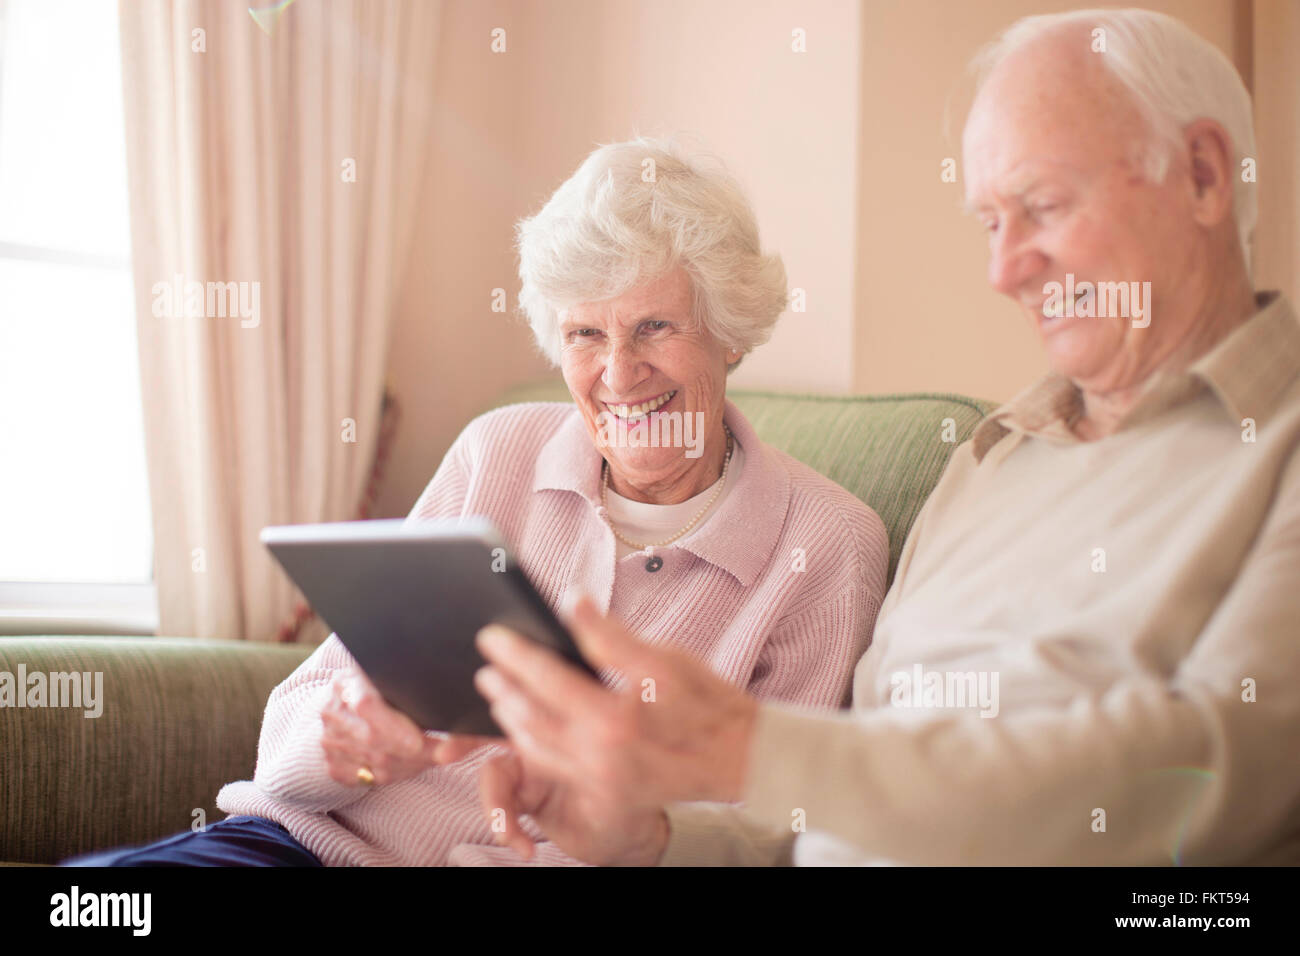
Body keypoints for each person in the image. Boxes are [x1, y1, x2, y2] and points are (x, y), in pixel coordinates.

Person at [453, 9, 1300, 866]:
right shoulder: (991, 461)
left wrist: (754, 749)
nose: (1003, 273)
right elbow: (825, 803)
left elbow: (1220, 767)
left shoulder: (1280, 451)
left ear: (1200, 176)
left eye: (1041, 206)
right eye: (990, 223)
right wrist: (651, 839)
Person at [64, 137, 888, 866]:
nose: (619, 374)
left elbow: (772, 829)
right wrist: (352, 744)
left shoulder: (823, 543)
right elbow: (294, 729)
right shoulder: (499, 451)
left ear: (732, 330)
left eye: (655, 328)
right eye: (585, 335)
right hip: (299, 847)